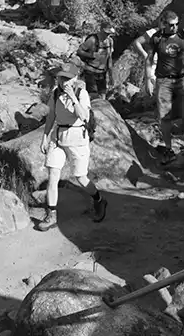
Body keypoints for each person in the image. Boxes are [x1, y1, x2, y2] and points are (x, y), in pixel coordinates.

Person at [35, 61, 108, 231]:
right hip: (58, 137)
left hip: (77, 138)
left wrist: (73, 98)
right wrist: (45, 137)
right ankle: (51, 214)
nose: (64, 82)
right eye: (61, 78)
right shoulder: (55, 93)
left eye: (67, 79)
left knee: (81, 177)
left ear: (75, 78)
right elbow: (51, 117)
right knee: (53, 175)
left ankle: (99, 200)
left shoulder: (81, 94)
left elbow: (84, 116)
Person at [134, 9, 184, 160]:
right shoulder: (157, 38)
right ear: (164, 24)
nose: (174, 27)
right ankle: (169, 149)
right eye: (171, 25)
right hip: (164, 80)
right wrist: (148, 79)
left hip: (183, 78)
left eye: (177, 24)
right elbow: (149, 58)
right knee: (164, 116)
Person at [75, 21, 116, 99]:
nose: (107, 35)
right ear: (101, 30)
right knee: (93, 96)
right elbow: (79, 51)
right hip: (90, 72)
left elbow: (109, 58)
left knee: (102, 96)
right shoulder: (92, 40)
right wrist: (91, 55)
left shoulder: (110, 41)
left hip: (102, 73)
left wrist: (111, 76)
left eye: (109, 33)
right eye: (106, 33)